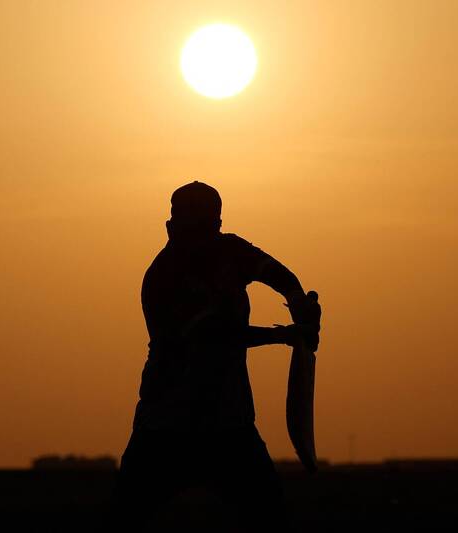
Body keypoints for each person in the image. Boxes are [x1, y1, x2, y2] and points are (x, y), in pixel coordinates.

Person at [114, 181, 321, 531]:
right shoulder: (163, 277)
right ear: (172, 225)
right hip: (167, 427)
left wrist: (299, 300)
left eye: (209, 225)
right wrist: (283, 335)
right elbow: (213, 337)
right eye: (193, 226)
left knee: (268, 515)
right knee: (127, 519)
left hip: (230, 425)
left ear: (218, 224)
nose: (203, 235)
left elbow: (275, 273)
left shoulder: (229, 252)